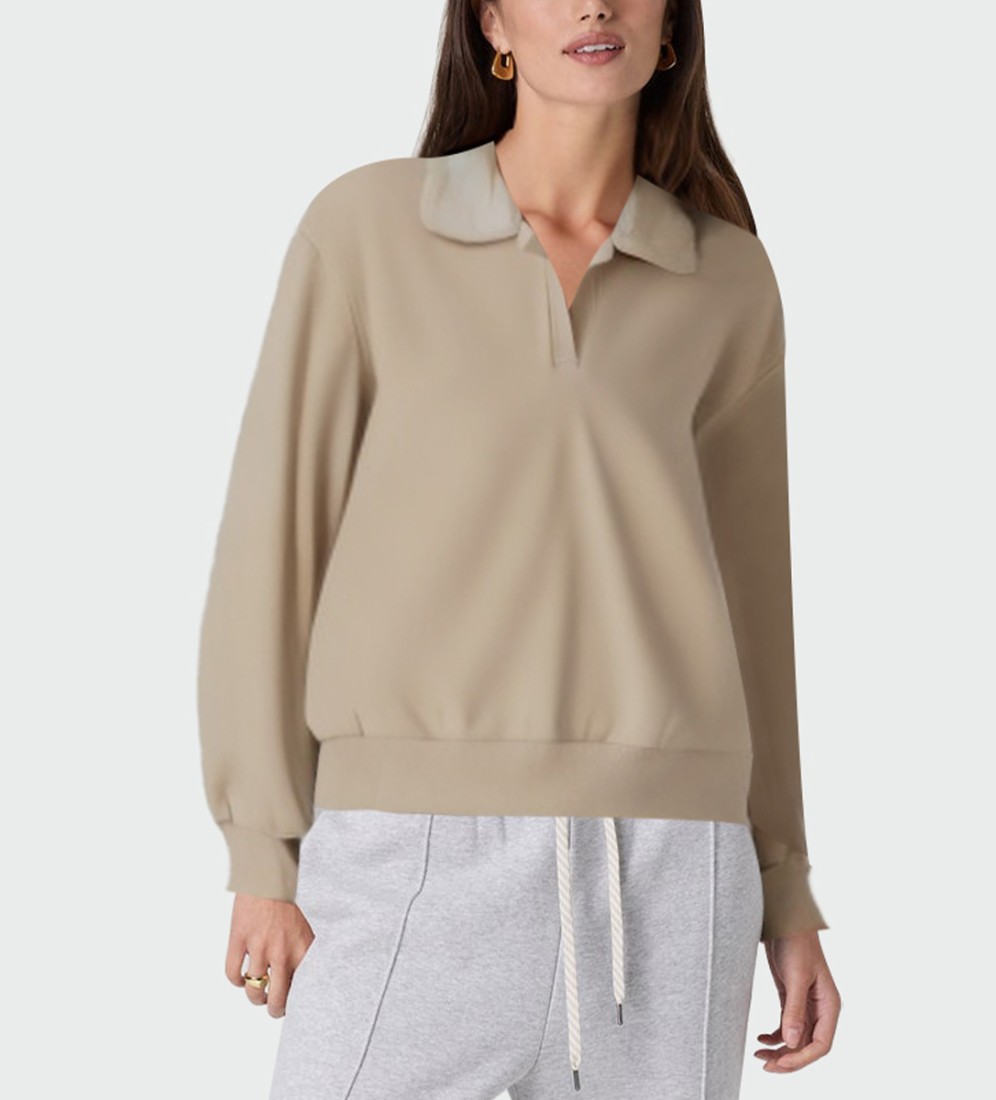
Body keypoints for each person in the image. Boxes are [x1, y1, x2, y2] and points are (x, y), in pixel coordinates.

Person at [196, 1, 842, 1097]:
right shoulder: (366, 233)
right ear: (490, 22)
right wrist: (262, 846)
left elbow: (753, 600)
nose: (593, 5)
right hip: (408, 854)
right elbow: (274, 545)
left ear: (671, 30)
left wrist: (784, 884)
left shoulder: (726, 280)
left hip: (672, 872)